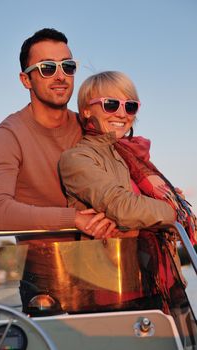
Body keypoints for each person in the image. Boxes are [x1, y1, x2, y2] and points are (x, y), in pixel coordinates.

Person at [59, 71, 197, 313]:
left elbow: (139, 208)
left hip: (164, 283)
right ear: (87, 110)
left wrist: (160, 207)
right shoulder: (77, 158)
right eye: (110, 104)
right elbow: (124, 208)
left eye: (130, 106)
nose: (122, 114)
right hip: (113, 291)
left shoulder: (133, 155)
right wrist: (174, 208)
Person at [0, 28, 117, 237]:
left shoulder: (89, 125)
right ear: (26, 80)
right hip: (44, 266)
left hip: (107, 260)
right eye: (47, 68)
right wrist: (73, 218)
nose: (61, 76)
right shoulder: (9, 134)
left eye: (68, 66)